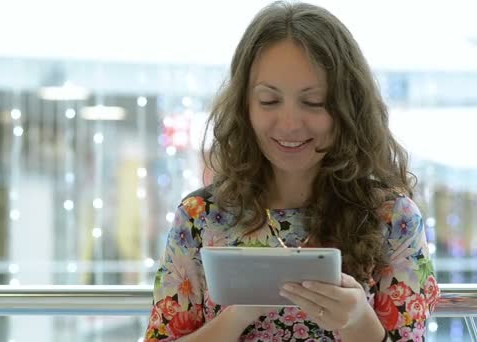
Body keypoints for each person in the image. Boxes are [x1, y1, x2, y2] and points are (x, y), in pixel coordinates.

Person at [143, 1, 440, 341]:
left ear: (347, 107)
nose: (289, 124)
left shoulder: (393, 218)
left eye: (313, 102)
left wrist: (359, 319)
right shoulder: (199, 218)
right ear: (244, 106)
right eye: (269, 101)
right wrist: (240, 312)